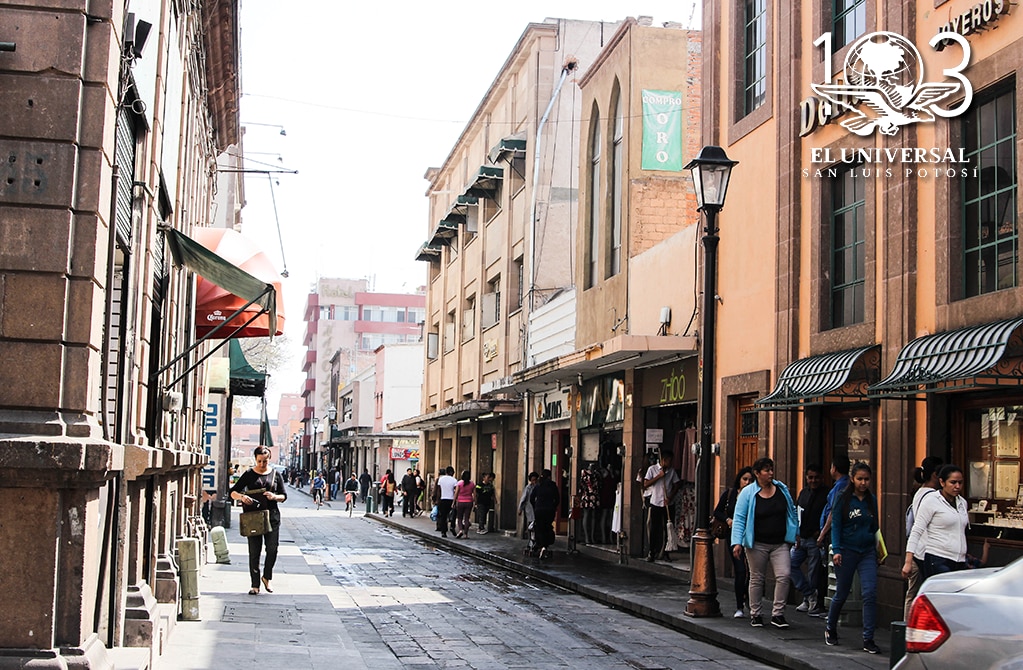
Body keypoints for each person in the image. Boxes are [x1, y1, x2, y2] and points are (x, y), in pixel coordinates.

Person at [730, 457, 798, 629]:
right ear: (757, 473)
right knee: (757, 578)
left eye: (771, 469)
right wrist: (737, 542)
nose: (770, 473)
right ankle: (756, 613)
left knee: (784, 575)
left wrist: (795, 531)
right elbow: (739, 518)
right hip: (757, 543)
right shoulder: (748, 493)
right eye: (766, 470)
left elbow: (791, 510)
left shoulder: (781, 489)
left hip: (780, 542)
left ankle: (778, 614)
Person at [824, 462, 882, 654]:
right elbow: (837, 525)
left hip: (867, 551)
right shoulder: (843, 499)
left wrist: (879, 549)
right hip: (847, 550)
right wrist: (837, 550)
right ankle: (830, 627)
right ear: (852, 479)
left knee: (870, 593)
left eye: (866, 479)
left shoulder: (871, 500)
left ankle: (868, 638)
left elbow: (875, 527)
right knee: (841, 592)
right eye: (860, 479)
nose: (863, 483)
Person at [229, 446, 287, 595]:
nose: (262, 464)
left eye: (265, 461)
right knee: (254, 551)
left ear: (269, 459)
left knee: (272, 549)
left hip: (272, 516)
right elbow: (232, 492)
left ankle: (267, 577)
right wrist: (242, 497)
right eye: (260, 461)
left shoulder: (276, 475)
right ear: (255, 459)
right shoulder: (249, 474)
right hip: (253, 517)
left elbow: (284, 496)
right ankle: (255, 584)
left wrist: (274, 497)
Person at [902, 464, 969, 580]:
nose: (957, 486)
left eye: (960, 482)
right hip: (937, 557)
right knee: (942, 594)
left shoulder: (962, 503)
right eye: (953, 482)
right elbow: (917, 530)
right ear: (942, 482)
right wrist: (908, 561)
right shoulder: (931, 500)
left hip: (959, 560)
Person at [902, 455, 943, 618]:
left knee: (913, 595)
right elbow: (919, 527)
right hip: (923, 552)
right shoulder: (932, 496)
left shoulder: (920, 492)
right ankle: (907, 629)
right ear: (935, 475)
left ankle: (906, 627)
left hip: (917, 550)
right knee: (917, 595)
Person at [713, 466, 754, 618]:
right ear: (739, 480)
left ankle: (749, 600)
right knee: (740, 570)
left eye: (750, 480)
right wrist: (728, 520)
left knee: (752, 573)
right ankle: (739, 606)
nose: (747, 482)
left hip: (750, 537)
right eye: (745, 479)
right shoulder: (730, 494)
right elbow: (717, 511)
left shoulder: (754, 495)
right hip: (733, 536)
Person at [791, 463, 827, 617]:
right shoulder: (803, 493)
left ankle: (811, 599)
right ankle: (808, 594)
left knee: (813, 572)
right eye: (810, 477)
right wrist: (796, 533)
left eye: (816, 478)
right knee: (791, 564)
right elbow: (797, 513)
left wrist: (820, 533)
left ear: (822, 478)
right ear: (806, 477)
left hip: (815, 539)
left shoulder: (826, 494)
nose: (813, 480)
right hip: (801, 538)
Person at [643, 449, 681, 562]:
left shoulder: (672, 471)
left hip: (667, 503)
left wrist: (670, 497)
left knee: (667, 528)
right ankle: (652, 552)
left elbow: (677, 484)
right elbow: (645, 484)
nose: (670, 463)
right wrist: (659, 476)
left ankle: (665, 552)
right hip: (655, 503)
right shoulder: (652, 469)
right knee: (654, 528)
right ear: (664, 460)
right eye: (669, 461)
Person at [816, 454, 851, 552]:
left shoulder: (840, 487)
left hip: (835, 532)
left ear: (834, 468)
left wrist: (822, 534)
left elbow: (833, 512)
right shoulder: (846, 483)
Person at [530, 469, 560, 559]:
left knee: (539, 528)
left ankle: (541, 545)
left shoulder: (538, 485)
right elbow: (557, 499)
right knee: (547, 527)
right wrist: (553, 507)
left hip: (539, 510)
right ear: (549, 476)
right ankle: (545, 546)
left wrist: (536, 506)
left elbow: (532, 498)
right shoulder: (553, 485)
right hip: (549, 510)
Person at [579, 463, 601, 544]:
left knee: (593, 516)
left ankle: (592, 536)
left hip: (595, 496)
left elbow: (599, 485)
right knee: (587, 515)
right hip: (587, 496)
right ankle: (587, 537)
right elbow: (581, 485)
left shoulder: (596, 474)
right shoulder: (584, 473)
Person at [436, 467, 458, 538]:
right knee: (453, 514)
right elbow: (456, 491)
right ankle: (452, 526)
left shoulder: (441, 479)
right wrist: (455, 501)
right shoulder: (454, 480)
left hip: (443, 499)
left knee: (443, 516)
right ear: (452, 472)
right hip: (451, 499)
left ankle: (443, 532)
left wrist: (438, 500)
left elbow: (439, 490)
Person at [454, 470, 476, 538]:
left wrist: (454, 502)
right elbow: (475, 494)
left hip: (460, 502)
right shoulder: (472, 484)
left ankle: (460, 530)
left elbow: (456, 493)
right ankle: (466, 534)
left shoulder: (459, 483)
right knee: (467, 518)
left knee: (460, 518)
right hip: (469, 502)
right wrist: (475, 502)